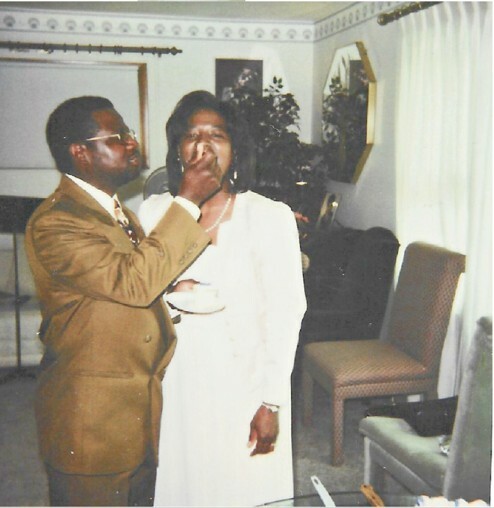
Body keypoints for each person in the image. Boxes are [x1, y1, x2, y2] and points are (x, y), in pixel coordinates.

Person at [24, 96, 222, 506]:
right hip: (91, 424)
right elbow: (132, 281)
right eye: (118, 137)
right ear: (80, 153)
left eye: (129, 133)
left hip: (134, 415)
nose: (133, 143)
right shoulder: (57, 221)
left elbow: (115, 291)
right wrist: (187, 200)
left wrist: (170, 293)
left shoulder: (117, 213)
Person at [138, 90, 307, 507]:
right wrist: (171, 294)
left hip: (245, 377)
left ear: (236, 149)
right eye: (192, 135)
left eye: (217, 134)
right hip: (178, 376)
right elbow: (136, 293)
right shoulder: (154, 212)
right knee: (189, 478)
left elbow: (285, 314)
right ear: (178, 150)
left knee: (246, 481)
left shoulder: (268, 216)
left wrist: (271, 402)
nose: (204, 144)